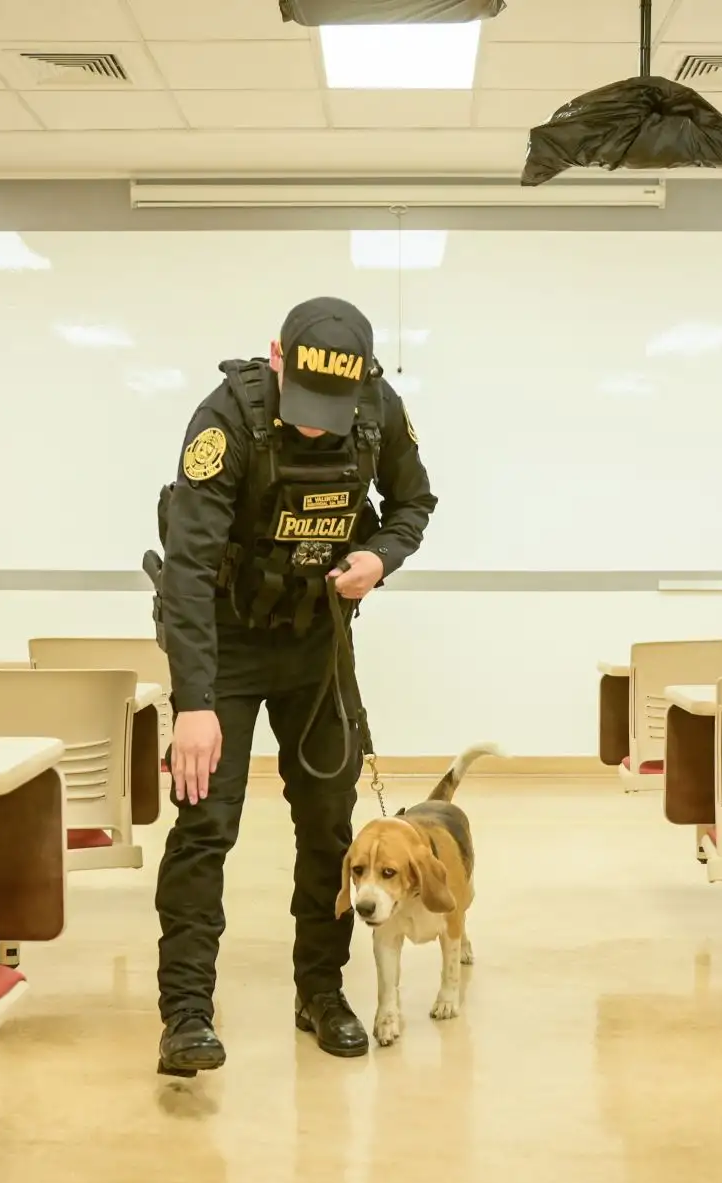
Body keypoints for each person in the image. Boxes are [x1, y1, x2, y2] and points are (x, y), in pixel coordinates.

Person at [153, 297, 437, 1076]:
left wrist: (381, 556)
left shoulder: (379, 408)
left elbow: (413, 505)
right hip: (228, 638)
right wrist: (195, 704)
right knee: (205, 826)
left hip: (318, 642)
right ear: (278, 358)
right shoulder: (224, 421)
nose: (316, 428)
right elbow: (185, 569)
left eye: (332, 413)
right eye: (305, 408)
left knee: (328, 827)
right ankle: (185, 1014)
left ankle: (321, 992)